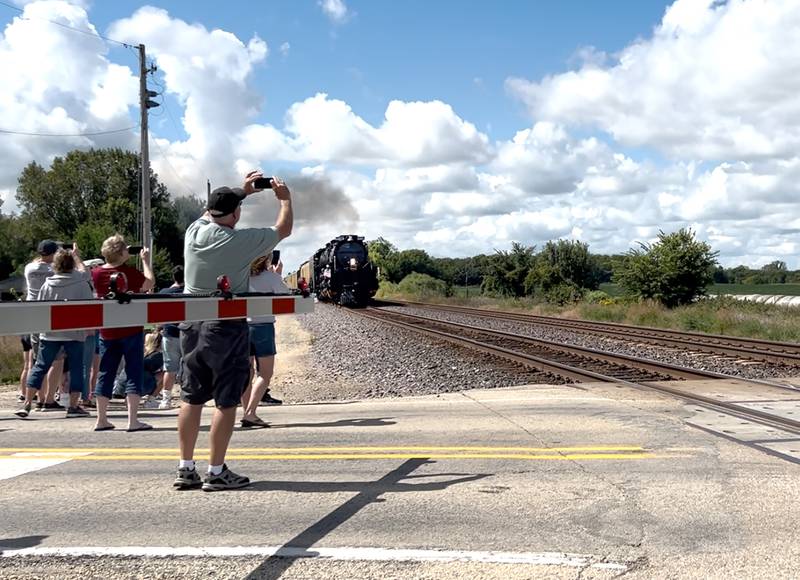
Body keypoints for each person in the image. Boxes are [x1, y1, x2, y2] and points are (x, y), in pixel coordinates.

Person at [174, 171, 292, 492]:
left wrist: (241, 192)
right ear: (236, 215)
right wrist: (285, 200)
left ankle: (186, 468)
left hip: (191, 325)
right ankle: (216, 471)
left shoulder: (194, 231)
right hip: (224, 326)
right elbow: (283, 229)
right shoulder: (237, 241)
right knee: (226, 401)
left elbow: (210, 212)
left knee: (191, 397)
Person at [15, 249, 93, 419]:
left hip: (50, 333)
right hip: (74, 333)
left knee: (40, 366)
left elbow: (42, 309)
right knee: (77, 368)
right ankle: (73, 406)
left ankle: (28, 403)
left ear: (55, 265)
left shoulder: (47, 284)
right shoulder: (81, 283)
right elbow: (89, 308)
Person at [91, 235, 155, 432]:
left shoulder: (96, 273)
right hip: (130, 327)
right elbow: (149, 283)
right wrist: (145, 261)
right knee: (134, 371)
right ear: (121, 254)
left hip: (107, 329)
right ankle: (132, 420)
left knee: (106, 371)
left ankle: (101, 419)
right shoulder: (129, 273)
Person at [240, 256, 290, 428]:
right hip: (263, 328)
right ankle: (250, 413)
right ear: (267, 260)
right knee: (265, 374)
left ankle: (246, 410)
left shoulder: (240, 276)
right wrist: (277, 275)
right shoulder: (271, 277)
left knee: (247, 372)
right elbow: (286, 296)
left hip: (242, 327)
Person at [158, 266, 185, 409]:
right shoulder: (189, 292)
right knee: (190, 366)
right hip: (187, 333)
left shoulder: (164, 292)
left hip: (169, 333)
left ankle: (166, 399)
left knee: (169, 368)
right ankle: (189, 396)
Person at [142, 330, 165, 404]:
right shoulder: (158, 356)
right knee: (166, 374)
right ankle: (151, 400)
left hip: (126, 387)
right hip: (141, 386)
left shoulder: (145, 353)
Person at [17, 335, 33, 402]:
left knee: (26, 366)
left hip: (24, 336)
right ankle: (30, 393)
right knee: (31, 366)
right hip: (32, 336)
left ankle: (23, 394)